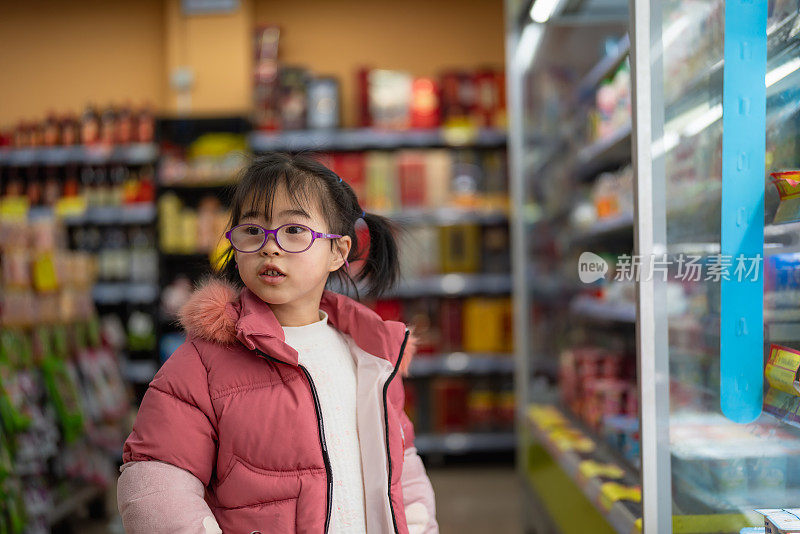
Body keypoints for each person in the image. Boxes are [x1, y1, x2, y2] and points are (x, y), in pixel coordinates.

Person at [116, 153, 438, 533]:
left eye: (294, 231)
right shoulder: (202, 364)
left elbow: (404, 467)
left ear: (338, 251)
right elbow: (156, 477)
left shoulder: (372, 356)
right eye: (252, 230)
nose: (270, 246)